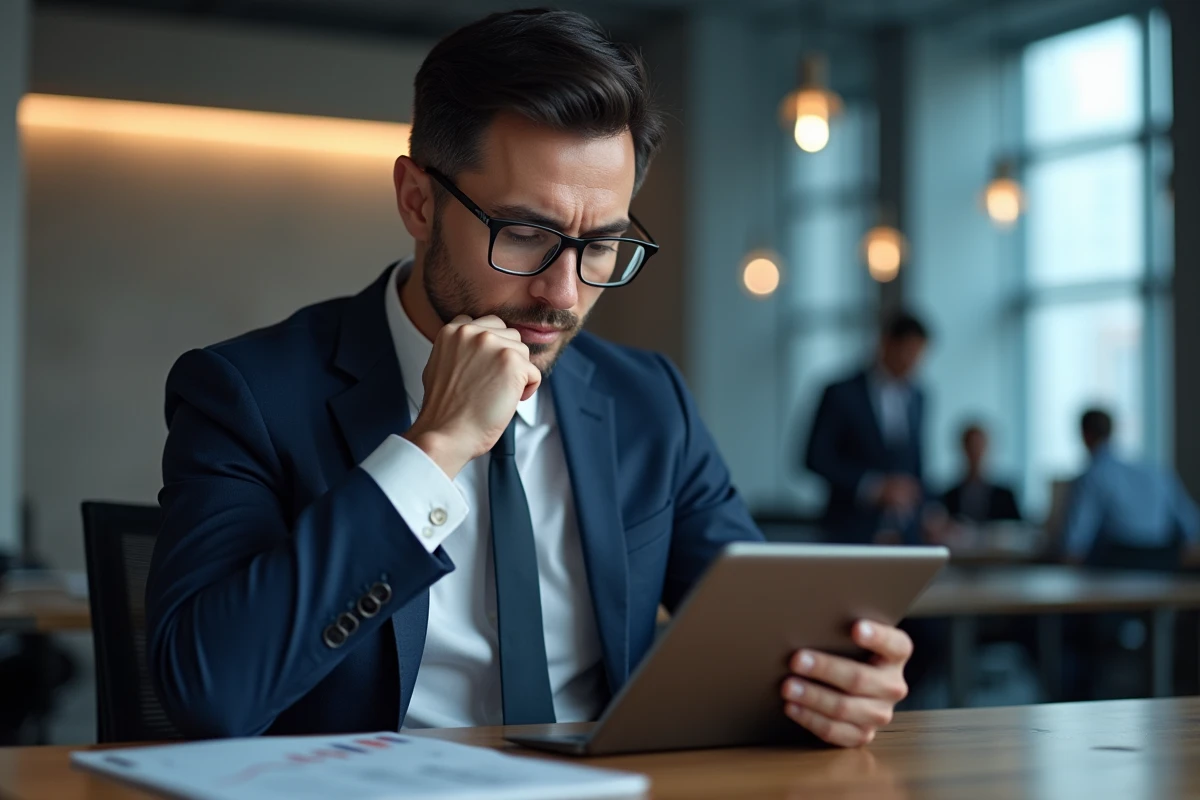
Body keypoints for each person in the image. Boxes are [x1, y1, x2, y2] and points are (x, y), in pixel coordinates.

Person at [146, 9, 912, 749]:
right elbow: (210, 691)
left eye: (601, 245)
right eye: (523, 234)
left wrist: (839, 682)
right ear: (418, 201)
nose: (563, 295)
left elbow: (765, 643)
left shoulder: (649, 403)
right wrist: (432, 449)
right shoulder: (248, 393)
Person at [805, 312, 931, 544]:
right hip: (849, 529)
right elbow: (815, 458)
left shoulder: (918, 397)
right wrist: (873, 487)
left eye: (919, 355)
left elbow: (916, 463)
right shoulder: (841, 394)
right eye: (908, 352)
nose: (913, 362)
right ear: (886, 344)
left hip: (905, 531)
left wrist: (928, 509)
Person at [1061, 408, 1200, 570]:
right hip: (1162, 562)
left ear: (1085, 435)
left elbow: (1076, 543)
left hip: (1116, 565)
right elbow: (1191, 524)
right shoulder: (1156, 470)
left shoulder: (1094, 475)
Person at [941, 423, 1021, 525]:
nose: (975, 452)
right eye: (971, 446)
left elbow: (1018, 527)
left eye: (978, 446)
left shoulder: (1005, 496)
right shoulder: (948, 497)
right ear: (963, 449)